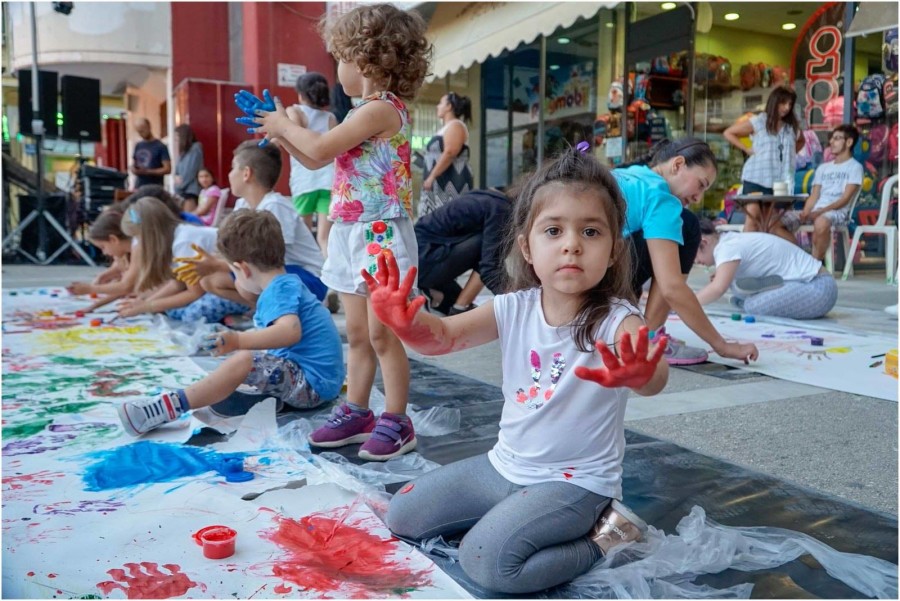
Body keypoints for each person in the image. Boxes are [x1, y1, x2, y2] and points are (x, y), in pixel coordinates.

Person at [369, 148, 669, 594]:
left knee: (487, 564)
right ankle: (510, 522)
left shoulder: (617, 319)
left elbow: (655, 376)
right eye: (554, 230)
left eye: (590, 231)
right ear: (528, 247)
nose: (572, 244)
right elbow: (444, 338)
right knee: (403, 516)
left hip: (576, 484)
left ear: (612, 252)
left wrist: (639, 375)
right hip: (502, 467)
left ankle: (609, 536)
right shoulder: (513, 307)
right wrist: (406, 324)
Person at [244, 3, 432, 461]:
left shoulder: (381, 109)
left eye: (340, 60)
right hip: (351, 230)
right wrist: (283, 135)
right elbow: (314, 158)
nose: (337, 72)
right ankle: (356, 410)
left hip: (381, 234)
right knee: (357, 333)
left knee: (384, 334)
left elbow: (322, 146)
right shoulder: (359, 113)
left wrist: (286, 124)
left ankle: (397, 419)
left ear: (368, 60)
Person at [116, 210, 345, 436]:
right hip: (315, 380)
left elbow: (289, 331)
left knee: (244, 360)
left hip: (314, 386)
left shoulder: (280, 290)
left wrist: (238, 340)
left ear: (243, 269)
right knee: (235, 369)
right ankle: (255, 398)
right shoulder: (284, 284)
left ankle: (170, 406)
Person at [612, 138, 759, 365]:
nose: (699, 197)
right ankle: (648, 337)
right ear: (678, 164)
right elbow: (672, 287)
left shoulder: (630, 174)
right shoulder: (661, 196)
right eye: (701, 184)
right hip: (600, 288)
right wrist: (722, 346)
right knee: (688, 223)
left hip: (568, 284)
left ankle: (631, 327)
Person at [172, 141, 327, 325]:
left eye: (232, 168)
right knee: (210, 281)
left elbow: (271, 261)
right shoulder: (242, 205)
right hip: (276, 274)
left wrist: (218, 264)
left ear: (246, 174)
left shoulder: (274, 206)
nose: (229, 175)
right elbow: (232, 250)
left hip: (306, 278)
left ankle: (288, 313)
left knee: (240, 277)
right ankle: (263, 309)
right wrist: (212, 262)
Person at [116, 196, 243, 323]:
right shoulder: (175, 237)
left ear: (150, 235)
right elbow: (178, 283)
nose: (137, 243)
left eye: (138, 237)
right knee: (171, 310)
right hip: (226, 284)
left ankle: (247, 311)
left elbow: (194, 292)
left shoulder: (183, 242)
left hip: (241, 285)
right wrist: (144, 302)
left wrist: (147, 307)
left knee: (190, 316)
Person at [693, 219, 837, 319]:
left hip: (819, 289)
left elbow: (717, 289)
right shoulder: (729, 240)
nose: (697, 262)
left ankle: (749, 299)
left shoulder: (726, 248)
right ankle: (759, 291)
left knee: (752, 306)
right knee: (736, 286)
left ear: (703, 243)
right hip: (809, 284)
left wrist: (685, 304)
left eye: (695, 257)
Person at [772, 124, 863, 260]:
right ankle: (802, 258)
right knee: (774, 224)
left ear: (849, 142)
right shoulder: (823, 168)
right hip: (816, 211)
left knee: (821, 222)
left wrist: (819, 212)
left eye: (837, 138)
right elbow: (814, 196)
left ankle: (815, 263)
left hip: (837, 213)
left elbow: (845, 199)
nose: (831, 142)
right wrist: (805, 212)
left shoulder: (855, 167)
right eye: (832, 138)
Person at [415, 188, 512, 315]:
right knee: (492, 249)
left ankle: (447, 300)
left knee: (491, 247)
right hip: (425, 262)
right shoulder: (501, 211)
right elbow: (489, 269)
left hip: (422, 257)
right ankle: (458, 307)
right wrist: (519, 298)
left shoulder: (492, 199)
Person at [723, 85, 804, 232]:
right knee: (753, 215)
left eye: (790, 104)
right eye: (783, 103)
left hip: (779, 180)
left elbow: (801, 141)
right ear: (774, 102)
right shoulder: (760, 121)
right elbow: (729, 133)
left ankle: (764, 252)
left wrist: (788, 156)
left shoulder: (791, 127)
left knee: (770, 221)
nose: (786, 107)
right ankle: (746, 253)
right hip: (756, 176)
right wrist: (747, 149)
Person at [287, 72, 337, 253]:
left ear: (301, 94)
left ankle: (308, 272)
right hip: (328, 179)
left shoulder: (295, 111)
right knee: (325, 238)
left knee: (304, 234)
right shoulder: (330, 118)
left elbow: (293, 134)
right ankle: (329, 275)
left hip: (304, 179)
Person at [419, 91, 474, 217]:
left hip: (450, 181)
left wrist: (432, 176)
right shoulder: (446, 128)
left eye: (441, 103)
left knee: (447, 217)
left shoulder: (456, 126)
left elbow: (450, 152)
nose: (438, 106)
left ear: (449, 106)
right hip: (438, 185)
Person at [67, 208, 133, 312]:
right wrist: (92, 307)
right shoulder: (125, 255)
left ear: (113, 240)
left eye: (103, 247)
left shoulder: (138, 252)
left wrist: (89, 289)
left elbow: (125, 287)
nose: (104, 253)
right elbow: (122, 290)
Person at [131, 118, 171, 189]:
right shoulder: (138, 145)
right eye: (139, 132)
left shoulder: (160, 146)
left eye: (143, 131)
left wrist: (148, 172)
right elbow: (134, 163)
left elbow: (167, 169)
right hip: (139, 185)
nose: (141, 134)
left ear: (149, 127)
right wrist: (133, 169)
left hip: (155, 186)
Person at [173, 124, 204, 211]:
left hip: (190, 191)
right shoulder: (182, 152)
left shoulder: (195, 148)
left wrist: (178, 187)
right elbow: (177, 172)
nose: (176, 141)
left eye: (177, 138)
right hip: (182, 191)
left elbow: (189, 172)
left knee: (189, 218)